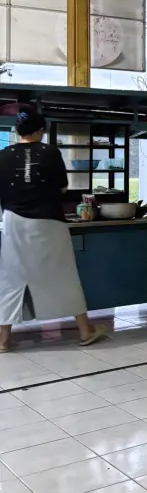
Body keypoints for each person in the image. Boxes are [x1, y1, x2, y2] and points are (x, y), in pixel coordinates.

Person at [0, 109, 105, 351]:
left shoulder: (3, 155)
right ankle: (85, 331)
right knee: (64, 275)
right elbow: (62, 188)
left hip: (14, 222)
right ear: (39, 131)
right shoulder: (50, 152)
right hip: (48, 222)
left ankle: (4, 340)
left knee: (9, 278)